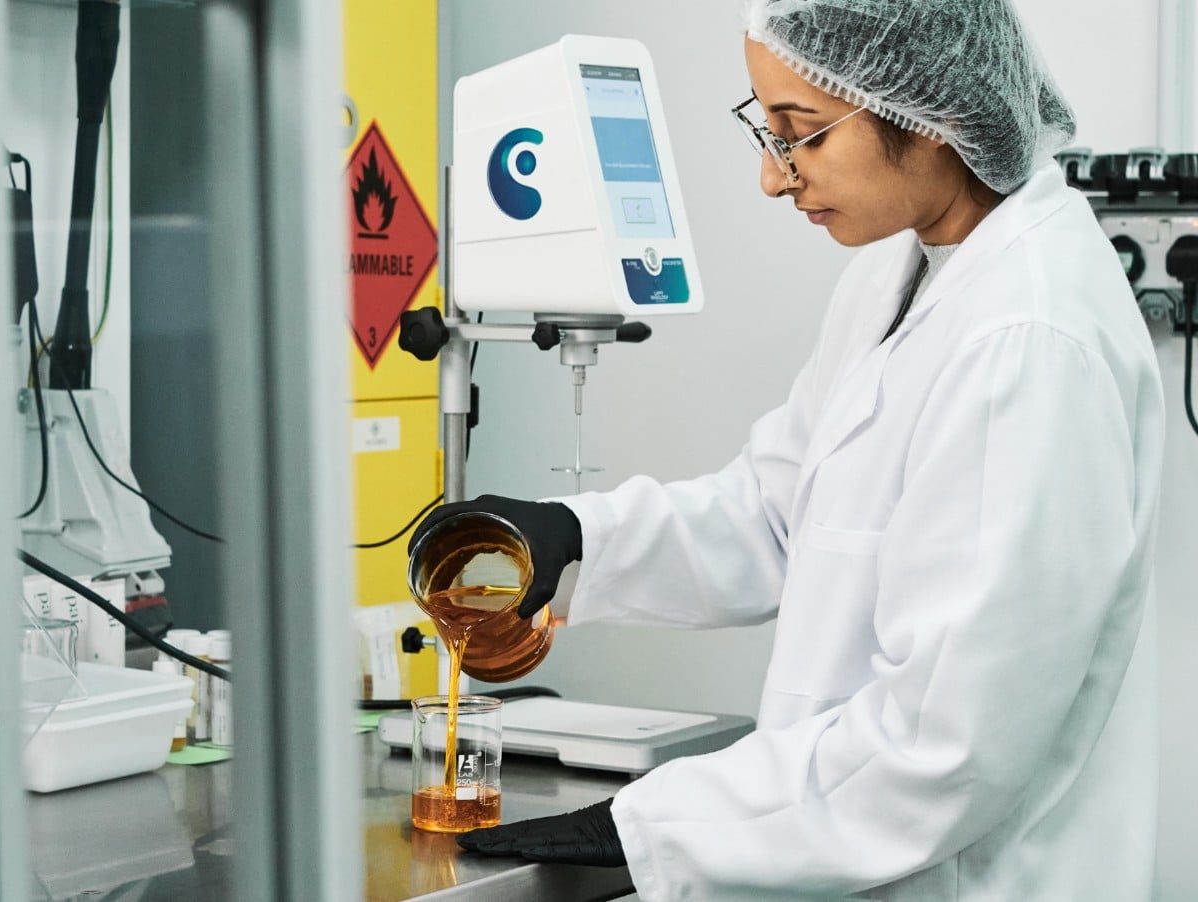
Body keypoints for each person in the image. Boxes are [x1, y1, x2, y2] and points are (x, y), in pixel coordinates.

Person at [411, 1, 1166, 898]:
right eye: (765, 130)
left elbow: (943, 745)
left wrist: (655, 823)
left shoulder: (1029, 339)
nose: (774, 178)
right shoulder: (899, 274)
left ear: (930, 113)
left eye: (802, 133)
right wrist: (576, 538)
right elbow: (778, 514)